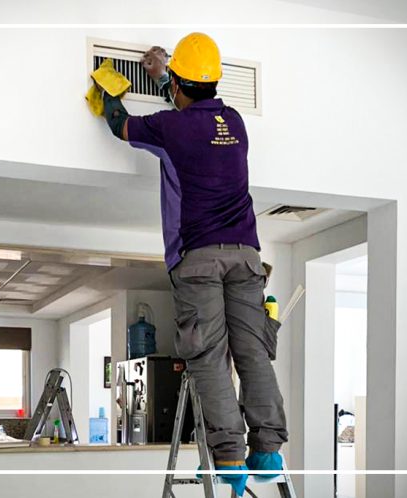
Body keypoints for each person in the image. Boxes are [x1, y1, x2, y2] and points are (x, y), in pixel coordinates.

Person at [99, 33, 288, 495]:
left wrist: (109, 89)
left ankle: (229, 455)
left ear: (181, 83)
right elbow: (193, 110)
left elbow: (120, 125)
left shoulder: (170, 126)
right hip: (247, 256)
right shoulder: (236, 121)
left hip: (198, 259)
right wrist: (168, 76)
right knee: (253, 354)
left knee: (209, 357)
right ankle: (268, 450)